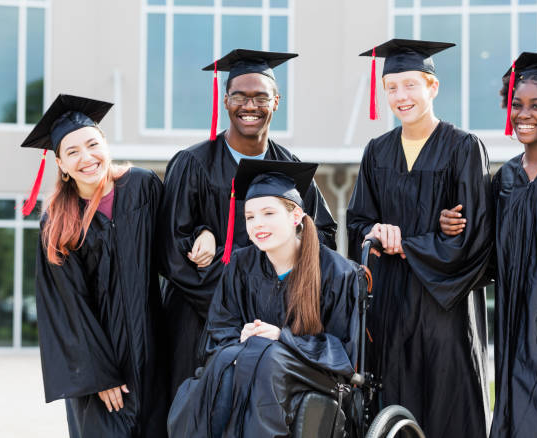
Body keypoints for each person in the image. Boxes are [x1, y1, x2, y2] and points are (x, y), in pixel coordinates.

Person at [157, 49, 337, 400]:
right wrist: (235, 302)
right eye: (239, 96)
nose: (249, 106)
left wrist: (277, 289)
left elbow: (322, 237)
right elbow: (171, 252)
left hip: (272, 323)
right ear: (225, 101)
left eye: (260, 97)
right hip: (198, 322)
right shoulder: (193, 164)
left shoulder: (291, 169)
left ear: (276, 102)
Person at [440, 52, 537, 438]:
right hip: (514, 317)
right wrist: (451, 230)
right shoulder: (506, 177)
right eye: (517, 104)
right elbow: (488, 256)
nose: (523, 114)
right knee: (510, 412)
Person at [346, 39, 493, 438]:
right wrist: (374, 232)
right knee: (392, 401)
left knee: (449, 403)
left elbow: (475, 235)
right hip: (390, 304)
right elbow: (358, 221)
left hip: (444, 305)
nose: (400, 96)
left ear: (433, 86)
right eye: (391, 87)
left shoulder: (464, 147)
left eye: (410, 85)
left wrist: (407, 244)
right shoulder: (376, 152)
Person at [167, 159, 359, 437]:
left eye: (268, 213)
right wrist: (245, 336)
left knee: (269, 358)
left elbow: (343, 352)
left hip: (314, 375)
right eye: (250, 217)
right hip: (252, 365)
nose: (258, 224)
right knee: (225, 364)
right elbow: (219, 332)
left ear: (295, 217)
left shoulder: (337, 273)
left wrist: (282, 337)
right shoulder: (240, 265)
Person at [25, 95, 168, 437]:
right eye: (72, 152)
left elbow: (172, 250)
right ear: (60, 163)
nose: (86, 158)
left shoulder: (142, 186)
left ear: (105, 144)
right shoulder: (57, 221)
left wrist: (203, 235)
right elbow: (67, 307)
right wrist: (100, 375)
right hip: (103, 372)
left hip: (154, 354)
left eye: (92, 144)